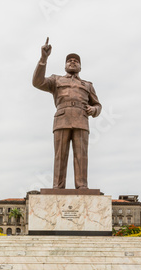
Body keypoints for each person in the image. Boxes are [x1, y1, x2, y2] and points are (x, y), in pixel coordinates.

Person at [32, 38, 102, 189]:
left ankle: (82, 186)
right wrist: (44, 58)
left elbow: (97, 104)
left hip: (81, 120)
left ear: (80, 66)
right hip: (62, 119)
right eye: (69, 60)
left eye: (76, 61)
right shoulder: (56, 80)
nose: (72, 62)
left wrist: (94, 110)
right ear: (65, 65)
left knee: (81, 156)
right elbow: (37, 82)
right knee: (60, 156)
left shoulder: (88, 85)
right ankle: (57, 186)